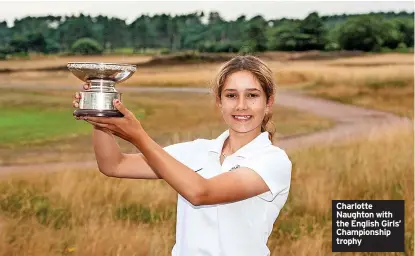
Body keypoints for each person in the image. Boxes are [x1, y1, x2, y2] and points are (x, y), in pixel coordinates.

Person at [72, 55, 292, 256]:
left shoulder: (273, 161)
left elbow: (201, 192)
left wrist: (138, 135)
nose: (241, 106)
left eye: (252, 95)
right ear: (219, 102)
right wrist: (100, 117)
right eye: (231, 95)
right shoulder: (196, 151)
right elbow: (114, 165)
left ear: (269, 102)